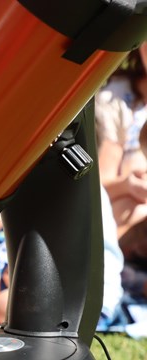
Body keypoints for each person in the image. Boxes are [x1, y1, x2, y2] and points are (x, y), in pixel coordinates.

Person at [95, 43, 147, 249]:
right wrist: (128, 184)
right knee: (135, 206)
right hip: (124, 214)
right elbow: (100, 185)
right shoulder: (119, 98)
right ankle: (99, 265)